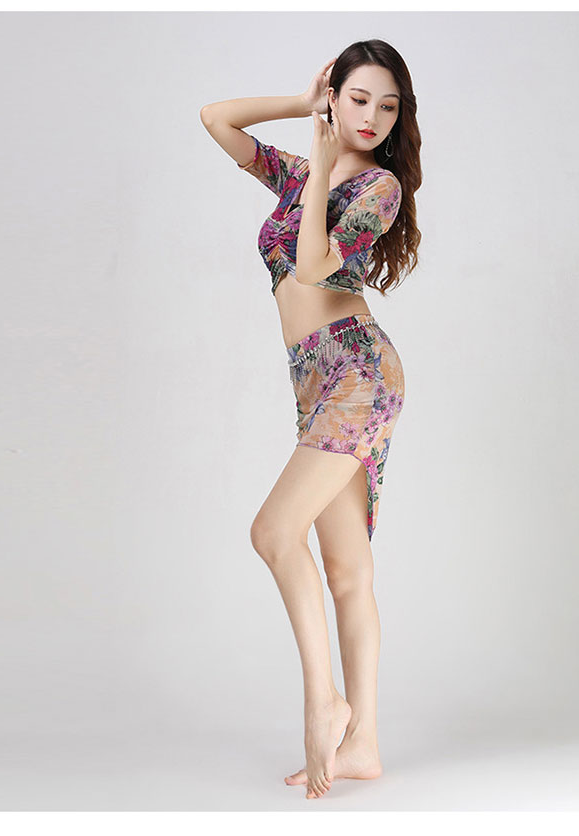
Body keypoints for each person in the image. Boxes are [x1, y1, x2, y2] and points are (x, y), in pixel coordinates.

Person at [200, 39, 422, 800]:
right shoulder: (300, 174)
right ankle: (365, 745)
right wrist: (302, 108)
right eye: (358, 98)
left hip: (358, 371)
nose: (372, 117)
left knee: (273, 532)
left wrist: (324, 165)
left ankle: (324, 703)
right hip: (316, 379)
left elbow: (313, 267)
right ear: (334, 96)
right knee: (347, 572)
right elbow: (216, 118)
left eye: (387, 106)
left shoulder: (379, 188)